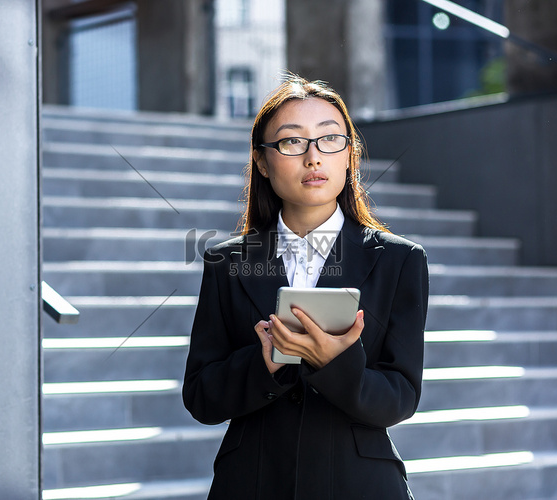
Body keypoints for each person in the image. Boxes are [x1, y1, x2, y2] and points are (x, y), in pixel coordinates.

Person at [182, 75, 429, 500]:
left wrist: (338, 366)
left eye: (330, 139)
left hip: (359, 485)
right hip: (254, 481)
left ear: (349, 154)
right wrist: (263, 364)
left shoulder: (399, 260)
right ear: (262, 161)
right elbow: (201, 396)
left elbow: (400, 397)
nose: (313, 157)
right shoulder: (227, 261)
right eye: (292, 142)